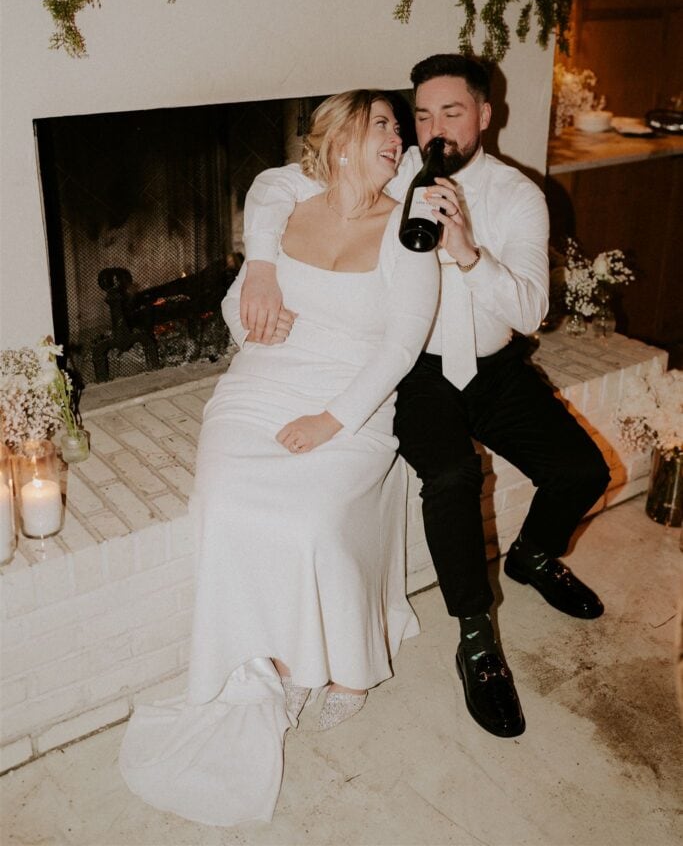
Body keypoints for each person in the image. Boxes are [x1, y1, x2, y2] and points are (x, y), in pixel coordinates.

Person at [238, 54, 611, 741]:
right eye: (424, 114)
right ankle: (476, 640)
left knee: (583, 471)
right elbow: (273, 185)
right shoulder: (395, 168)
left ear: (484, 116)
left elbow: (529, 310)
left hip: (496, 367)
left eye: (452, 112)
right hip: (418, 371)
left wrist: (469, 250)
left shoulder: (517, 194)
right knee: (449, 475)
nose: (435, 128)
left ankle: (530, 556)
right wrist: (259, 263)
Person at [119, 90, 439, 826]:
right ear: (336, 142)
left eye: (398, 125)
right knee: (225, 502)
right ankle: (274, 656)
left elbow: (401, 344)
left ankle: (343, 669)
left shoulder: (408, 225)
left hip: (350, 398)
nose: (397, 137)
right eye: (380, 125)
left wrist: (332, 421)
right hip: (260, 386)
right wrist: (255, 299)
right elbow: (237, 313)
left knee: (313, 519)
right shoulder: (286, 203)